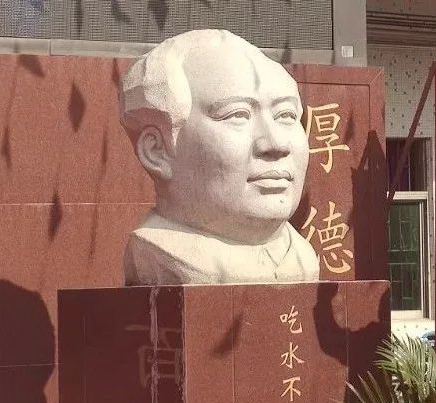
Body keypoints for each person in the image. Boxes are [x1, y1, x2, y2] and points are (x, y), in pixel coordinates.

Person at [119, 29, 320, 286]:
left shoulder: (302, 257)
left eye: (286, 115)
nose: (276, 144)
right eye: (238, 114)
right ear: (157, 151)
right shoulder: (162, 256)